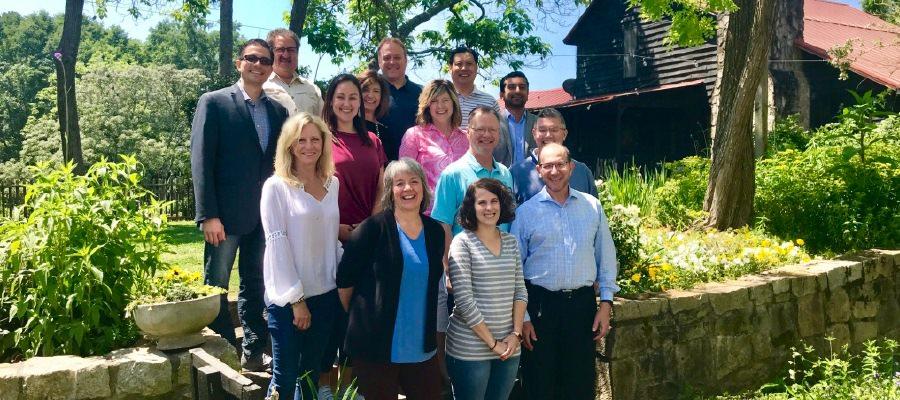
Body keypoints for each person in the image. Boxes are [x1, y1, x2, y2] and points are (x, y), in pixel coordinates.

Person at [190, 38, 287, 372]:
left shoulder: (278, 111)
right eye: (251, 58)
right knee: (215, 283)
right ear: (239, 62)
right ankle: (221, 348)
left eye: (264, 60)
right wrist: (208, 214)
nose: (257, 65)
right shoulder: (214, 103)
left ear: (272, 67)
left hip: (264, 217)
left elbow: (280, 165)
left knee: (256, 283)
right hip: (225, 218)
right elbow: (201, 161)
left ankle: (254, 349)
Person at [510, 143, 619, 399]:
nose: (555, 171)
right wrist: (523, 319)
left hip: (581, 308)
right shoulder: (525, 213)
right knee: (540, 384)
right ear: (539, 170)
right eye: (548, 165)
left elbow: (606, 257)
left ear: (571, 167)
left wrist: (605, 304)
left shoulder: (592, 206)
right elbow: (515, 271)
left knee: (579, 384)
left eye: (560, 164)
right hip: (540, 308)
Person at [336, 158, 446, 400]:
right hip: (376, 348)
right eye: (399, 183)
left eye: (414, 182)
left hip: (420, 347)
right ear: (390, 191)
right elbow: (345, 284)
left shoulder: (435, 232)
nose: (408, 189)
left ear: (423, 188)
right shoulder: (371, 230)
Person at [259, 112, 341, 400]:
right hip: (288, 301)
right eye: (301, 140)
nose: (309, 146)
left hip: (326, 295)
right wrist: (297, 301)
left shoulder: (333, 184)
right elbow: (277, 246)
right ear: (290, 145)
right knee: (285, 379)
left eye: (315, 139)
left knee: (311, 376)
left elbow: (329, 240)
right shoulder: (276, 188)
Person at [320, 73, 387, 399]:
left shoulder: (372, 141)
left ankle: (348, 385)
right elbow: (309, 190)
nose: (347, 104)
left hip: (365, 239)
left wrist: (369, 226)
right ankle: (323, 385)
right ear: (330, 101)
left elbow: (381, 185)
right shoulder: (319, 139)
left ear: (361, 103)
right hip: (328, 238)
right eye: (341, 97)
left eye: (353, 98)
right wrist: (336, 227)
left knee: (355, 316)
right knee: (329, 316)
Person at [446, 178, 527, 400]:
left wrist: (515, 335)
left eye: (494, 201)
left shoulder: (510, 242)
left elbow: (520, 291)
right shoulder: (462, 243)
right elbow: (464, 301)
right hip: (470, 349)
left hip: (510, 346)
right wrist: (493, 344)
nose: (489, 208)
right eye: (482, 202)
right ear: (471, 207)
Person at [510, 108, 598, 205]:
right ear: (534, 134)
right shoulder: (516, 173)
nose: (548, 135)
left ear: (564, 134)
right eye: (542, 130)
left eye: (554, 130)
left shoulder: (582, 172)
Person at [398, 79, 468, 194]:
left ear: (454, 103)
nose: (440, 106)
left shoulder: (467, 138)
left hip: (464, 209)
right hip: (428, 211)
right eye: (434, 101)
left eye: (445, 100)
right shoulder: (414, 135)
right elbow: (404, 176)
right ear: (427, 105)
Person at [378, 38, 423, 161]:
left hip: (415, 169)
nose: (392, 62)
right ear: (379, 61)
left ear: (406, 60)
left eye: (397, 57)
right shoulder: (370, 94)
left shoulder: (422, 93)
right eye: (387, 58)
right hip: (378, 169)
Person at [264, 28, 324, 116]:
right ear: (270, 53)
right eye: (280, 49)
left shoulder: (312, 89)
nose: (286, 55)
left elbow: (323, 125)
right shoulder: (259, 86)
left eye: (291, 50)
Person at [448, 47, 500, 130]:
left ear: (476, 68)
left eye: (469, 64)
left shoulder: (490, 102)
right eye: (459, 64)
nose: (464, 68)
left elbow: (498, 135)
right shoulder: (438, 100)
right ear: (450, 68)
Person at [492, 71, 537, 167]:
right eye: (511, 87)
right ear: (501, 94)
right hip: (499, 180)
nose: (517, 91)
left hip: (533, 180)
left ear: (528, 93)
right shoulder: (492, 123)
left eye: (522, 87)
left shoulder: (539, 123)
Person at [358, 70, 391, 142]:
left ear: (382, 96)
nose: (370, 95)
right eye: (365, 90)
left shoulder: (386, 133)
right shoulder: (347, 125)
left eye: (376, 91)